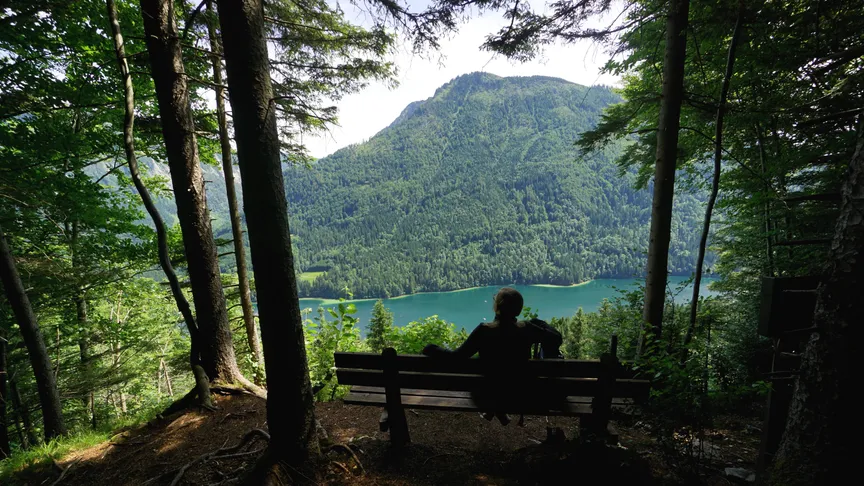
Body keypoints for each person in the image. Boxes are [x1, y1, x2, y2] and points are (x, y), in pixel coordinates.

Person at [422, 287, 563, 425]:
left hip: (486, 396)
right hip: (520, 394)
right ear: (518, 309)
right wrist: (539, 323)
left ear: (497, 307)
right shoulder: (527, 328)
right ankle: (500, 411)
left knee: (487, 372)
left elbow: (456, 358)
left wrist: (432, 349)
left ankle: (497, 410)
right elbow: (556, 338)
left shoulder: (484, 331)